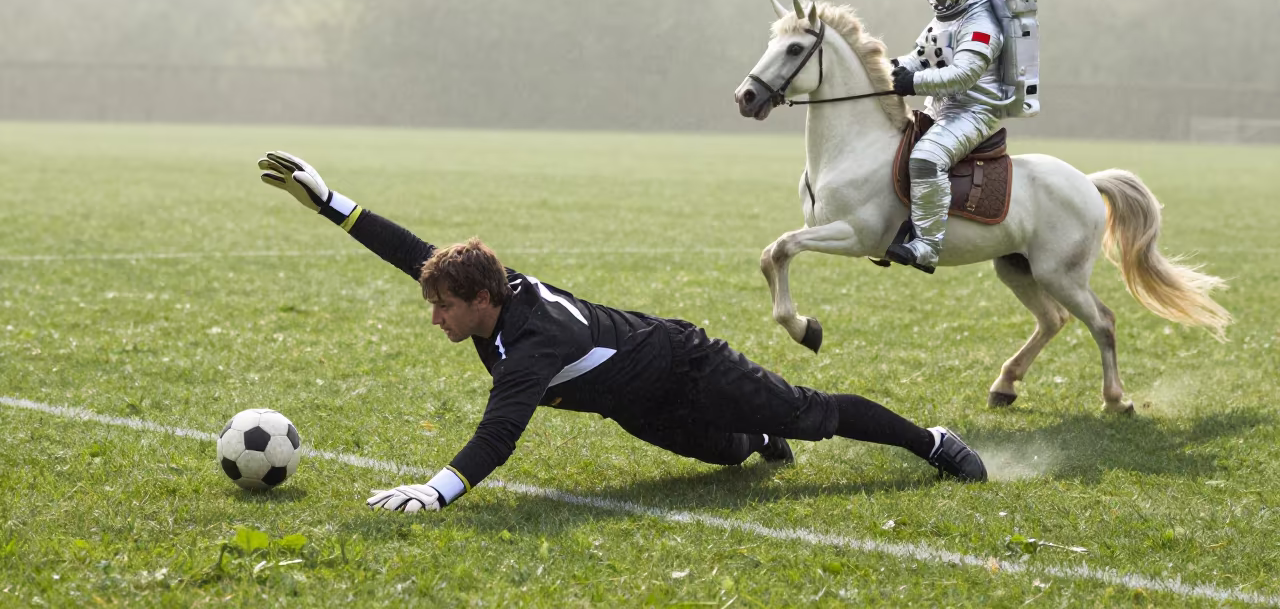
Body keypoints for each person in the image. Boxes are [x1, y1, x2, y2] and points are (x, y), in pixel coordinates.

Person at [257, 150, 988, 513]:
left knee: (811, 413)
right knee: (727, 458)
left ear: (479, 299)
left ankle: (932, 443)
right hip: (640, 402)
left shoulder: (530, 341)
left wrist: (434, 492)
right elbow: (406, 248)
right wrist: (327, 201)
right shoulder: (483, 286)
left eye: (444, 308)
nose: (435, 315)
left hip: (686, 362)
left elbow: (499, 435)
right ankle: (759, 436)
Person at [888, 0, 1006, 273]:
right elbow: (918, 57)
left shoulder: (982, 25)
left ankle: (926, 246)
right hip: (940, 105)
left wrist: (914, 82)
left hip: (975, 110)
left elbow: (963, 75)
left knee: (926, 158)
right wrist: (884, 71)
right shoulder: (944, 17)